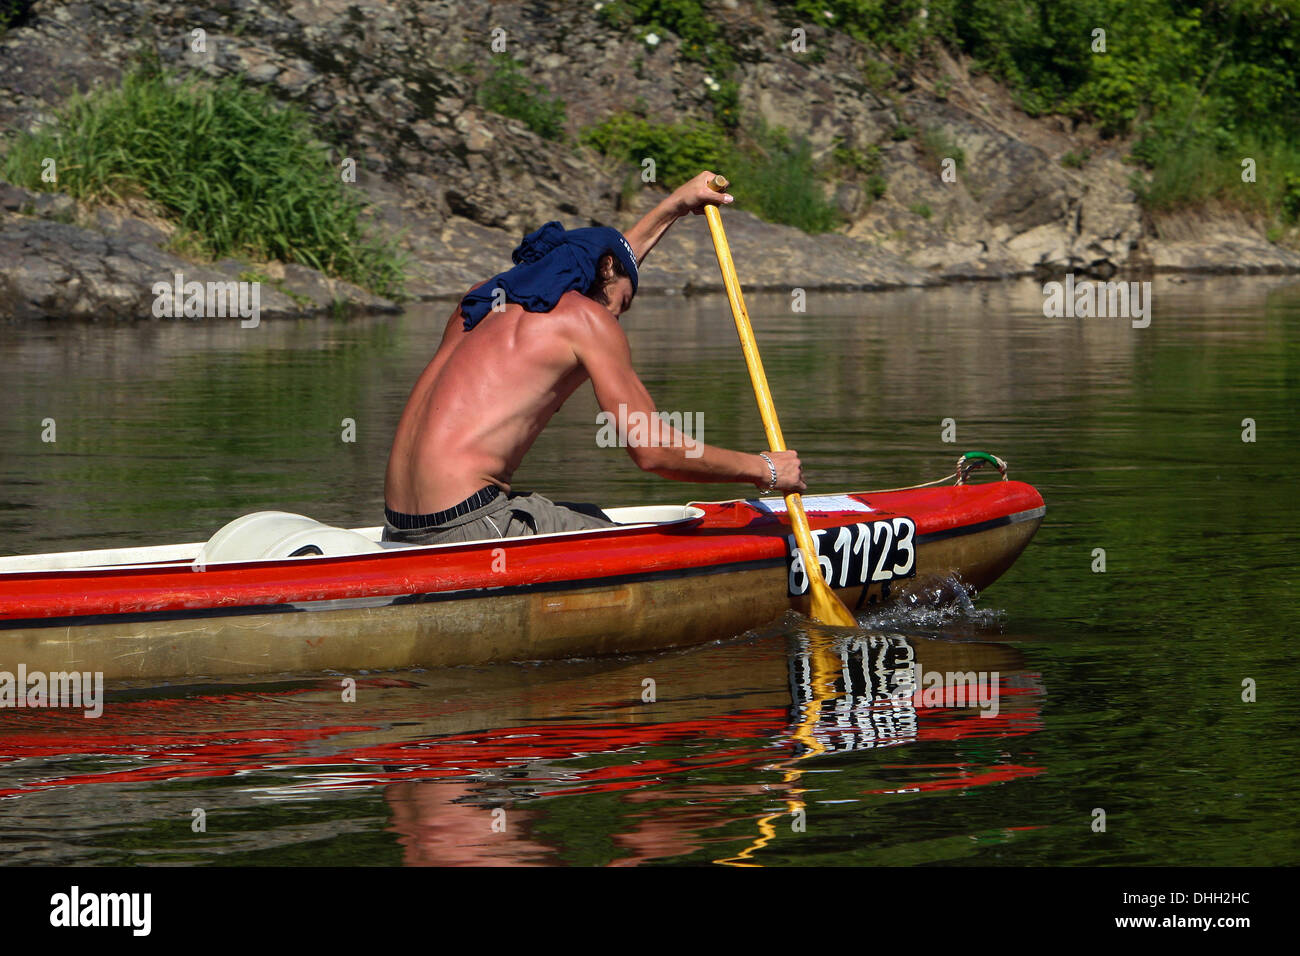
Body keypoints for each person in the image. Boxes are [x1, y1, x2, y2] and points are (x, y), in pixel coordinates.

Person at [381, 170, 806, 545]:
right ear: (604, 271)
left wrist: (676, 205)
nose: (615, 317)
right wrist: (765, 469)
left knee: (593, 517)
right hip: (472, 526)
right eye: (622, 304)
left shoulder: (476, 305)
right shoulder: (586, 320)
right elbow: (653, 450)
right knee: (642, 552)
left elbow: (611, 263)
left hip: (398, 528)